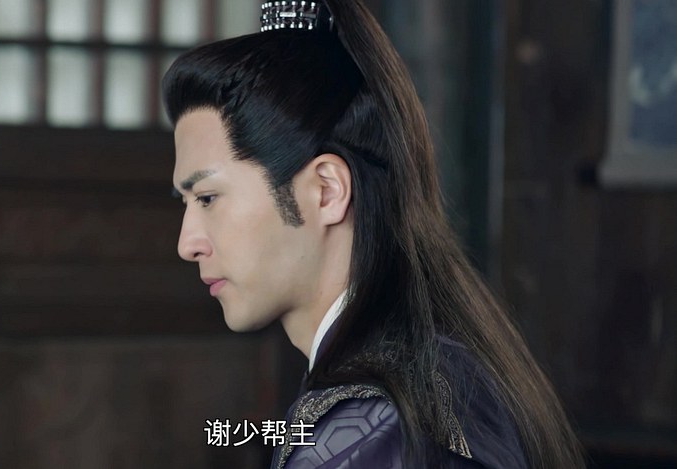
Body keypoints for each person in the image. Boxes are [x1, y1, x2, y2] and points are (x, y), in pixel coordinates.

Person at [164, 1, 584, 467]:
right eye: (186, 203)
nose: (188, 244)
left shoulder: (368, 427)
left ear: (326, 191)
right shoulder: (435, 366)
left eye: (208, 198)